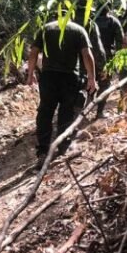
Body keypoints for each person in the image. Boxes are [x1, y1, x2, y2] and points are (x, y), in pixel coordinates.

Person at [26, 11, 97, 161]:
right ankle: (63, 147)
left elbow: (33, 53)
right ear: (70, 16)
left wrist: (30, 73)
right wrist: (92, 78)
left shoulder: (45, 29)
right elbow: (87, 55)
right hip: (69, 77)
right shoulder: (78, 30)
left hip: (48, 77)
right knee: (66, 111)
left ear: (54, 16)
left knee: (45, 111)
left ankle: (43, 151)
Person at [73, 0, 107, 114]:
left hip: (69, 66)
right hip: (86, 64)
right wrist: (103, 67)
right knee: (100, 84)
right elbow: (97, 50)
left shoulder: (66, 23)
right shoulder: (90, 25)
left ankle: (71, 118)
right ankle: (94, 113)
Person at [94, 1, 125, 118]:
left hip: (88, 56)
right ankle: (99, 112)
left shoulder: (91, 21)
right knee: (104, 84)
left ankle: (83, 110)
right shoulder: (113, 21)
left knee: (86, 83)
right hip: (106, 56)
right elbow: (119, 42)